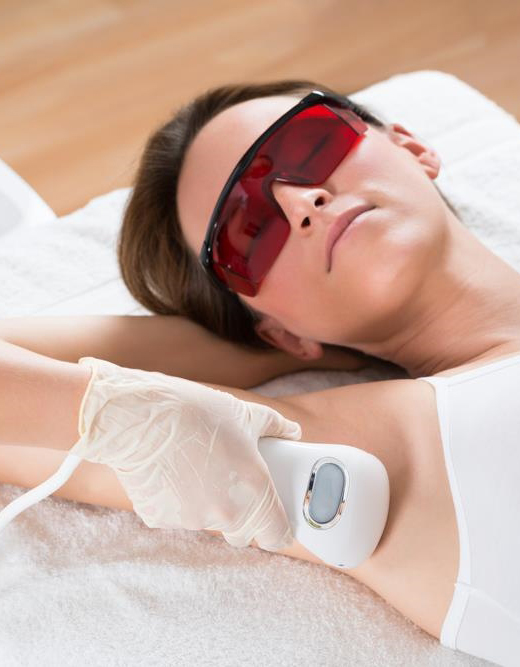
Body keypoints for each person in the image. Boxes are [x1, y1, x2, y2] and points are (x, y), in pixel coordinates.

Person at [1, 79, 519, 665]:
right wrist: (130, 411)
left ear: (412, 146)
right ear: (277, 328)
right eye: (249, 233)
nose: (301, 202)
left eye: (311, 145)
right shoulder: (383, 458)